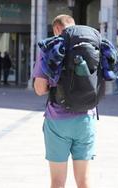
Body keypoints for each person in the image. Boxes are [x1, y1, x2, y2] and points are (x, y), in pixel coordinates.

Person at [33, 14, 97, 188]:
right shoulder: (89, 45)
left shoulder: (50, 47)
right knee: (84, 181)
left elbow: (39, 88)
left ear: (56, 29)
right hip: (86, 118)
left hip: (58, 120)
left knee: (57, 181)